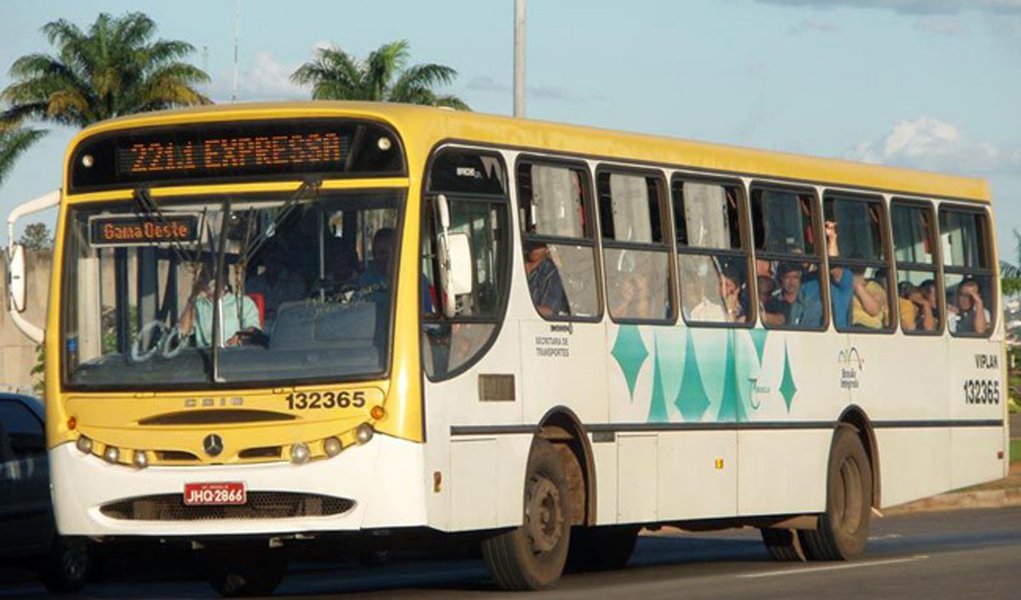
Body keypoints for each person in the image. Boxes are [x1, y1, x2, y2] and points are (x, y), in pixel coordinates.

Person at [180, 263, 262, 348]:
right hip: (204, 355)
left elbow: (253, 330)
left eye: (215, 276)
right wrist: (193, 295)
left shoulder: (244, 303)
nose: (211, 281)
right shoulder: (198, 306)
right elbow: (182, 332)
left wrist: (238, 338)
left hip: (235, 355)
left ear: (225, 279)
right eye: (206, 275)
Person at [245, 247, 307, 323]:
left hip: (288, 327)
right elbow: (247, 309)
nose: (273, 262)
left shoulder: (295, 283)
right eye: (270, 258)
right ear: (264, 259)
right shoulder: (253, 283)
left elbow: (298, 310)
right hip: (258, 329)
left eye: (276, 258)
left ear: (283, 259)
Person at [764, 262, 822, 327]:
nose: (791, 282)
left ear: (800, 279)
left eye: (795, 277)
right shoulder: (772, 302)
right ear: (781, 279)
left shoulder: (811, 305)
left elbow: (811, 333)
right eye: (787, 277)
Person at [525, 241, 569, 317]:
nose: (534, 248)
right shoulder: (514, 263)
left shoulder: (552, 273)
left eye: (539, 246)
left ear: (547, 249)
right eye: (531, 243)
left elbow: (549, 309)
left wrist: (523, 310)